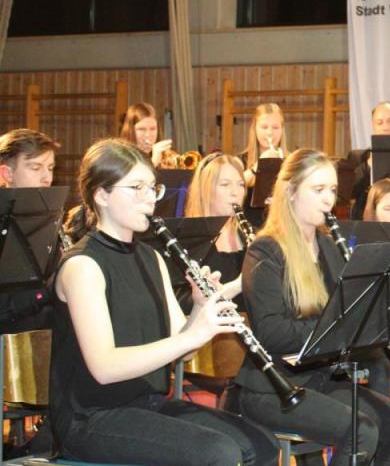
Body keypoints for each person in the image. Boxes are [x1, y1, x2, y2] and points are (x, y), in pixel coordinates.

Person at [50, 138, 277, 465]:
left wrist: (200, 308)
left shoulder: (152, 257)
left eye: (151, 188)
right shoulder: (82, 266)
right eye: (136, 188)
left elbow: (181, 347)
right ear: (102, 195)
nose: (149, 199)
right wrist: (191, 335)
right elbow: (105, 368)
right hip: (91, 417)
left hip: (146, 403)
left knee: (262, 443)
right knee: (219, 453)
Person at [227, 148, 390, 466]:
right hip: (272, 389)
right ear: (291, 192)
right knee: (361, 432)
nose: (329, 200)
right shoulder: (265, 250)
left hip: (319, 380)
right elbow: (272, 334)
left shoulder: (327, 245)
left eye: (333, 190)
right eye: (318, 189)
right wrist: (335, 329)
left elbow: (344, 312)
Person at [0, 129, 59, 332]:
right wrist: (46, 293)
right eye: (36, 168)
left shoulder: (50, 216)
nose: (47, 178)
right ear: (7, 173)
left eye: (50, 168)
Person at [183, 152, 249, 312]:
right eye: (225, 184)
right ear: (205, 190)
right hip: (211, 333)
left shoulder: (250, 235)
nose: (236, 192)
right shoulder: (188, 239)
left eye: (241, 184)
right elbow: (182, 303)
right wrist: (238, 285)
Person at [346, 101, 390, 219]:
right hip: (367, 224)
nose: (385, 127)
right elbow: (349, 193)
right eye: (379, 123)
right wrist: (368, 166)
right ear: (373, 127)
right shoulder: (358, 158)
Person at [241, 102, 287, 185]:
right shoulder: (240, 161)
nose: (270, 132)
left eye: (275, 127)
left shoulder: (292, 161)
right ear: (255, 129)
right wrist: (260, 165)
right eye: (264, 127)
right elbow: (236, 184)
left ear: (282, 130)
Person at [119, 102, 172, 168]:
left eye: (153, 129)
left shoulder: (163, 155)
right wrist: (153, 162)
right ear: (130, 131)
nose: (148, 135)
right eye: (142, 129)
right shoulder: (119, 157)